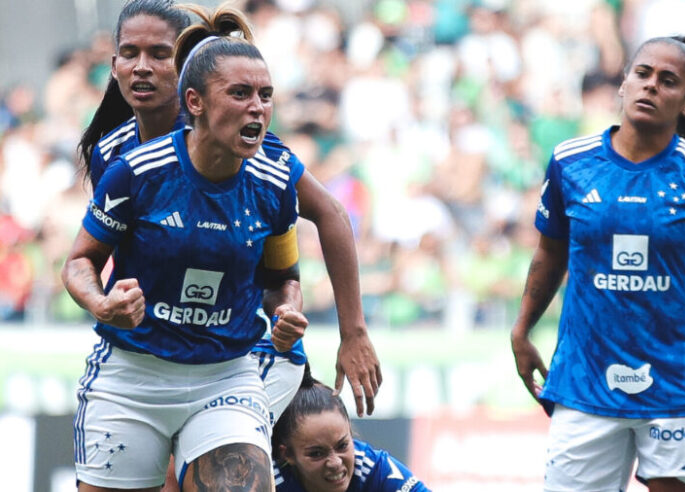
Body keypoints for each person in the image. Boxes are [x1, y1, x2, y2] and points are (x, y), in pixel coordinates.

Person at [78, 0, 381, 421]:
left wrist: (351, 330)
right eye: (131, 53)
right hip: (162, 356)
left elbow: (326, 218)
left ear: (187, 70)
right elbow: (117, 260)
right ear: (114, 64)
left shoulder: (245, 143)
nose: (142, 67)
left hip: (244, 350)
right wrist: (108, 304)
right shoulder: (113, 156)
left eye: (160, 55)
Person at [62, 6, 309, 491]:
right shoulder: (135, 171)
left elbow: (282, 280)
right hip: (132, 375)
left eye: (265, 96)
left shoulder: (276, 183)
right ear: (194, 101)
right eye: (239, 94)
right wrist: (101, 303)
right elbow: (79, 261)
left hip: (226, 378)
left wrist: (288, 311)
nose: (256, 107)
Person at [511, 35, 685, 492]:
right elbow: (550, 253)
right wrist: (522, 328)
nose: (650, 87)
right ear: (623, 83)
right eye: (642, 74)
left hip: (680, 380)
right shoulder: (571, 163)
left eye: (668, 82)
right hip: (586, 380)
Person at [271, 366, 431, 492]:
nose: (335, 463)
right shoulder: (266, 480)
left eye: (342, 445)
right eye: (316, 454)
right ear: (288, 455)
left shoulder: (373, 470)